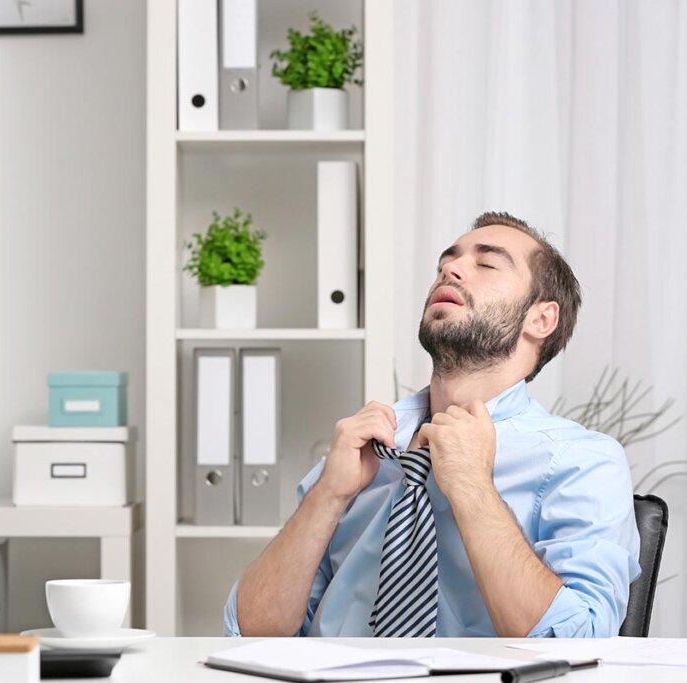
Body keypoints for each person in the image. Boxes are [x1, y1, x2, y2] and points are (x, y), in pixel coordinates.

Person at [224, 212, 641, 638]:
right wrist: (328, 494)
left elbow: (577, 644)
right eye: (447, 261)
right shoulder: (363, 444)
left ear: (541, 319)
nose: (450, 269)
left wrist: (471, 485)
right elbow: (253, 635)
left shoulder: (583, 461)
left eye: (487, 263)